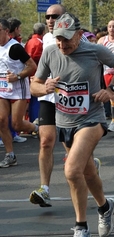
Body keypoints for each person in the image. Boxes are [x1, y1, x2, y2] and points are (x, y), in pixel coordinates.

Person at [31, 12, 114, 237]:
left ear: (79, 34)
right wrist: (44, 87)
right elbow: (34, 85)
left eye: (67, 39)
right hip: (65, 122)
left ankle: (81, 228)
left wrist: (111, 90)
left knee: (72, 170)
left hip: (92, 119)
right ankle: (105, 207)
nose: (63, 44)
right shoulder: (50, 52)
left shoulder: (94, 50)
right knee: (87, 171)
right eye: (58, 39)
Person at [29, 4, 93, 208]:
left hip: (72, 100)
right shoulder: (44, 40)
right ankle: (44, 189)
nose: (49, 19)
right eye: (47, 16)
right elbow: (35, 81)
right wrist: (42, 86)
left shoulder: (80, 39)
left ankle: (88, 165)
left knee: (72, 148)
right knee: (46, 141)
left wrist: (109, 90)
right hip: (49, 97)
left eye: (54, 16)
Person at [0, 19, 37, 168]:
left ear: (6, 32)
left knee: (16, 125)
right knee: (1, 120)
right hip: (2, 90)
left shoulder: (15, 48)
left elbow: (32, 66)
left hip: (18, 90)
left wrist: (18, 76)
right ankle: (10, 155)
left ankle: (37, 129)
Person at [25, 22, 46, 123]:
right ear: (43, 31)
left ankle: (29, 122)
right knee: (35, 100)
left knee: (30, 100)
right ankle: (35, 121)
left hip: (28, 74)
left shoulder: (29, 41)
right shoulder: (39, 42)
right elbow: (38, 59)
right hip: (35, 75)